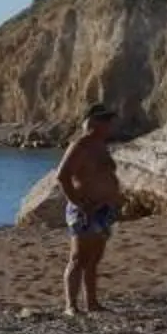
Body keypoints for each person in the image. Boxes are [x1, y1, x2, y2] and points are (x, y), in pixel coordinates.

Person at [54, 103, 123, 315]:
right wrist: (79, 203)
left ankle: (92, 303)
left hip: (103, 210)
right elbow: (63, 176)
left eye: (109, 119)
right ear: (91, 122)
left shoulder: (101, 145)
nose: (109, 124)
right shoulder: (80, 146)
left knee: (94, 258)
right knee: (78, 257)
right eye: (105, 119)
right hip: (85, 209)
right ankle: (71, 306)